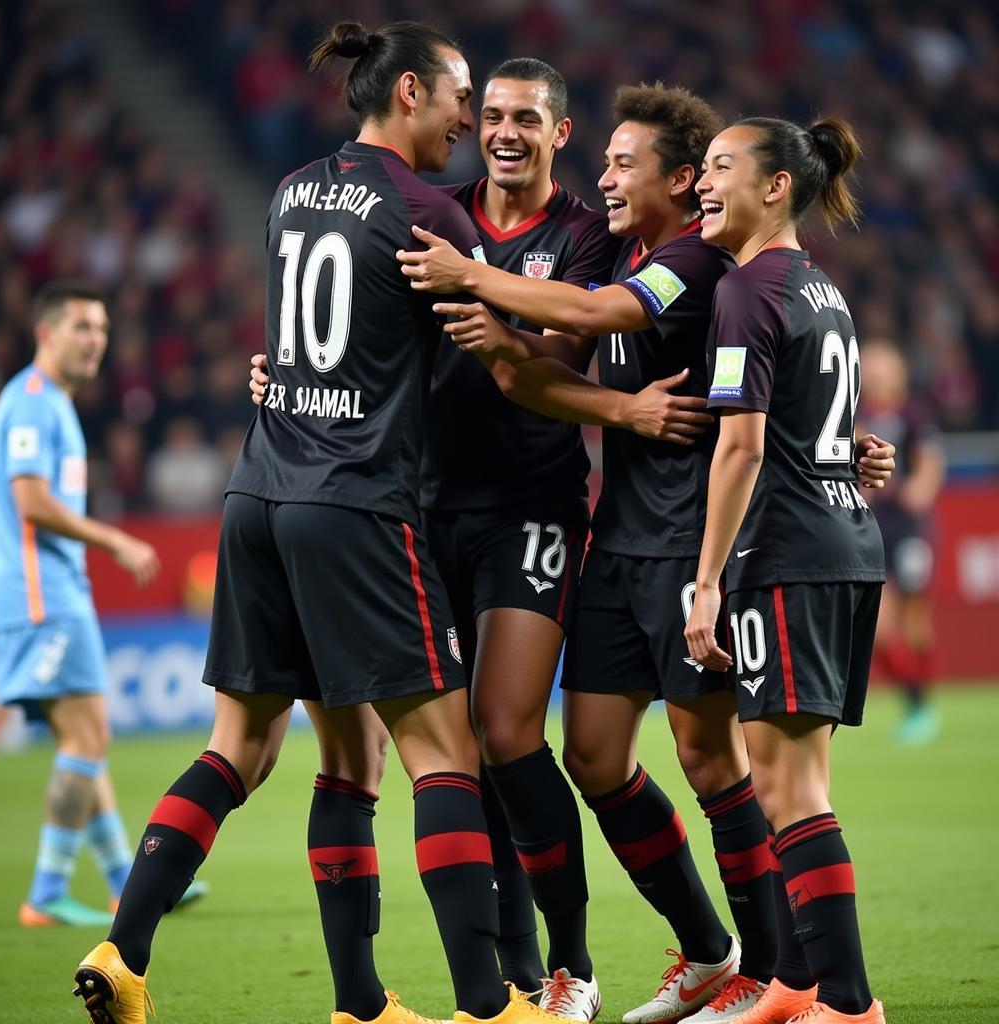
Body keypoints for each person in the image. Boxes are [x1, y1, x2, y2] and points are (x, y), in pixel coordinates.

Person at [73, 22, 580, 1024]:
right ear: (405, 97)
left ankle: (139, 953)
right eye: (458, 98)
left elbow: (325, 336)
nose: (468, 120)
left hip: (257, 489)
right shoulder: (430, 214)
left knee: (259, 749)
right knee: (445, 750)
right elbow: (496, 360)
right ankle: (492, 1005)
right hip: (353, 501)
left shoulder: (290, 190)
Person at [396, 84, 895, 1024]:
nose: (608, 178)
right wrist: (520, 358)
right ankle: (714, 954)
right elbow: (556, 363)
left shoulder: (699, 266)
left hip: (691, 548)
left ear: (682, 179)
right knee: (591, 753)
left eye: (629, 164)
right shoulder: (626, 253)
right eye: (609, 161)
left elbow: (614, 319)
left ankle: (775, 971)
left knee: (716, 765)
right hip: (618, 542)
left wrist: (476, 282)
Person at [249, 60, 709, 1018]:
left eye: (525, 119)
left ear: (559, 133)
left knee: (505, 732)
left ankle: (572, 966)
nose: (502, 130)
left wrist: (606, 403)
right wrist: (287, 374)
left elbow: (545, 368)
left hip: (530, 506)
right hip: (416, 507)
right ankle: (513, 973)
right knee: (459, 745)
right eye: (490, 113)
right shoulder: (437, 212)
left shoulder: (583, 235)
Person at [684, 116, 888, 1024]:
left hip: (791, 556)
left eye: (722, 167)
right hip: (845, 543)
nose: (702, 182)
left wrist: (706, 580)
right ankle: (798, 986)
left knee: (789, 789)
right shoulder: (821, 289)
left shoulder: (747, 289)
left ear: (775, 189)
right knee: (790, 779)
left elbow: (742, 450)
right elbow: (820, 427)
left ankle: (847, 1003)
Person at [0, 280, 201, 926]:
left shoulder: (55, 405)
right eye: (81, 327)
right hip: (38, 592)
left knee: (86, 736)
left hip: (50, 590)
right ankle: (46, 892)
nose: (95, 340)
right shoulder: (32, 404)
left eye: (101, 329)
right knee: (90, 733)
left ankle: (123, 882)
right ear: (45, 332)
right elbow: (31, 502)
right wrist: (115, 540)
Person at [858, 338, 944, 745]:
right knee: (878, 627)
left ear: (898, 371)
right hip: (870, 528)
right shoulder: (855, 412)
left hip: (908, 530)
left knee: (915, 619)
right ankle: (914, 702)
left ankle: (922, 705)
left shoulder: (914, 413)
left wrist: (919, 488)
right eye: (869, 366)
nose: (875, 373)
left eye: (882, 366)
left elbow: (930, 463)